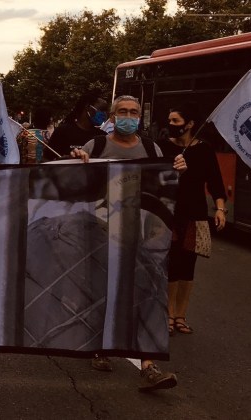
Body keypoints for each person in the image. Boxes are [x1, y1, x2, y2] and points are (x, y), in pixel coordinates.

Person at [70, 95, 186, 392]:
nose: (129, 116)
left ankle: (149, 365)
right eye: (122, 111)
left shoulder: (151, 148)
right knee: (103, 290)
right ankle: (100, 347)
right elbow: (74, 182)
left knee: (147, 293)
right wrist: (76, 160)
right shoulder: (95, 146)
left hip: (140, 234)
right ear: (112, 117)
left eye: (134, 112)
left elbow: (162, 186)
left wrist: (177, 168)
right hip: (100, 232)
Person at [157, 104, 227, 336]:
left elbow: (215, 181)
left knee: (188, 266)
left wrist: (220, 209)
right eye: (170, 120)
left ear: (189, 124)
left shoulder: (204, 149)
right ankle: (168, 314)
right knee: (172, 264)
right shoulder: (162, 147)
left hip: (195, 214)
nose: (171, 125)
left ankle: (181, 316)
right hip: (169, 213)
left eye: (175, 121)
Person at [47, 90, 108, 161]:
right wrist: (65, 160)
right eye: (101, 109)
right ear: (88, 107)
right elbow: (46, 159)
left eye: (106, 111)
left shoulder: (102, 136)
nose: (104, 114)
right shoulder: (62, 132)